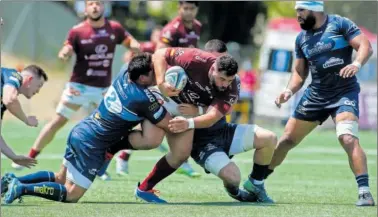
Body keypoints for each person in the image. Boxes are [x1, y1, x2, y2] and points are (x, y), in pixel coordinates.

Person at [2, 53, 191, 204]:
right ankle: (21, 188)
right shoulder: (142, 99)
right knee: (71, 194)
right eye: (153, 73)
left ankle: (13, 180)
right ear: (142, 78)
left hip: (81, 130)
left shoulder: (125, 71)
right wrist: (190, 112)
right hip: (92, 143)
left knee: (60, 178)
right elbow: (168, 124)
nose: (157, 75)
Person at [135, 46, 276, 203]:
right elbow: (160, 53)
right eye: (222, 79)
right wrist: (161, 83)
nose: (224, 85)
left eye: (228, 80)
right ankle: (236, 192)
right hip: (203, 143)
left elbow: (212, 117)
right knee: (233, 177)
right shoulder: (195, 59)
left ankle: (256, 184)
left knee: (269, 138)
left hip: (222, 131)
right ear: (213, 68)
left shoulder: (233, 84)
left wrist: (190, 120)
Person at [268, 1, 375, 206]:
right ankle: (256, 182)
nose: (297, 14)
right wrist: (288, 90)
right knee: (286, 141)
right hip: (316, 96)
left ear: (315, 9)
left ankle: (364, 192)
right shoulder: (301, 38)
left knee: (348, 138)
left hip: (344, 92)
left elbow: (365, 46)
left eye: (301, 10)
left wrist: (356, 63)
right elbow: (299, 73)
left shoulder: (339, 24)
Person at [13, 1, 140, 173]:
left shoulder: (114, 28)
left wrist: (135, 46)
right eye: (91, 3)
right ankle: (30, 156)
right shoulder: (78, 30)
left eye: (99, 3)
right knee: (57, 122)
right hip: (78, 88)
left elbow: (130, 42)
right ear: (85, 8)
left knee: (117, 124)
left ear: (104, 7)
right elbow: (66, 48)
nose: (95, 7)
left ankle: (113, 162)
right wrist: (64, 53)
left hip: (102, 90)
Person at [107, 26, 200, 178]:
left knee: (169, 128)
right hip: (150, 94)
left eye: (162, 37)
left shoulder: (170, 54)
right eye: (158, 36)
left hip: (164, 94)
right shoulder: (147, 48)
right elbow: (127, 58)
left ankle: (183, 161)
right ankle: (121, 157)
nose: (160, 40)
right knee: (158, 131)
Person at [0, 66, 47, 171]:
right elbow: (10, 100)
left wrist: (13, 157)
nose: (38, 91)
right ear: (30, 79)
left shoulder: (2, 101)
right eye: (39, 85)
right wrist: (26, 120)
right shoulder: (15, 75)